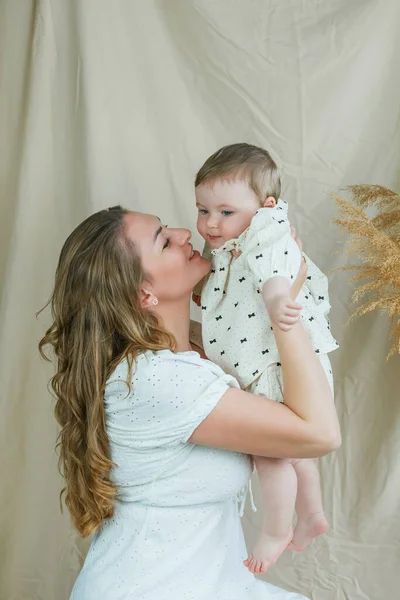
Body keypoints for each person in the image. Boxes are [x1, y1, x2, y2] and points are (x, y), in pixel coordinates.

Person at [38, 205, 340, 600]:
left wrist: (270, 271)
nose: (184, 233)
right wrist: (284, 297)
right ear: (144, 293)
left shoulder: (201, 348)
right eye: (164, 241)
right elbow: (318, 434)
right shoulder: (157, 380)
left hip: (209, 585)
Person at [193, 143, 339, 574]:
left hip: (272, 362)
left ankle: (276, 529)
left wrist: (279, 303)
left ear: (265, 206)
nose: (210, 223)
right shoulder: (230, 238)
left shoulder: (266, 231)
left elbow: (278, 274)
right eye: (203, 211)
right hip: (264, 359)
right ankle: (311, 514)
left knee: (270, 454)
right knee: (295, 448)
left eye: (224, 212)